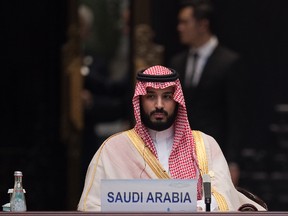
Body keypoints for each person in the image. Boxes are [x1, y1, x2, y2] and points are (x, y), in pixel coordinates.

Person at [77, 65, 266, 212]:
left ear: (177, 100)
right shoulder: (113, 149)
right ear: (140, 99)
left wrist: (193, 206)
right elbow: (91, 207)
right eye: (151, 96)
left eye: (166, 96)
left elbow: (224, 199)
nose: (159, 105)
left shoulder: (205, 145)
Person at [168, 0, 244, 185]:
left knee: (212, 206)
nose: (180, 28)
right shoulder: (177, 62)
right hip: (181, 153)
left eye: (185, 22)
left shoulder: (229, 62)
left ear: (203, 24)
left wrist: (232, 161)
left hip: (214, 152)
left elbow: (236, 114)